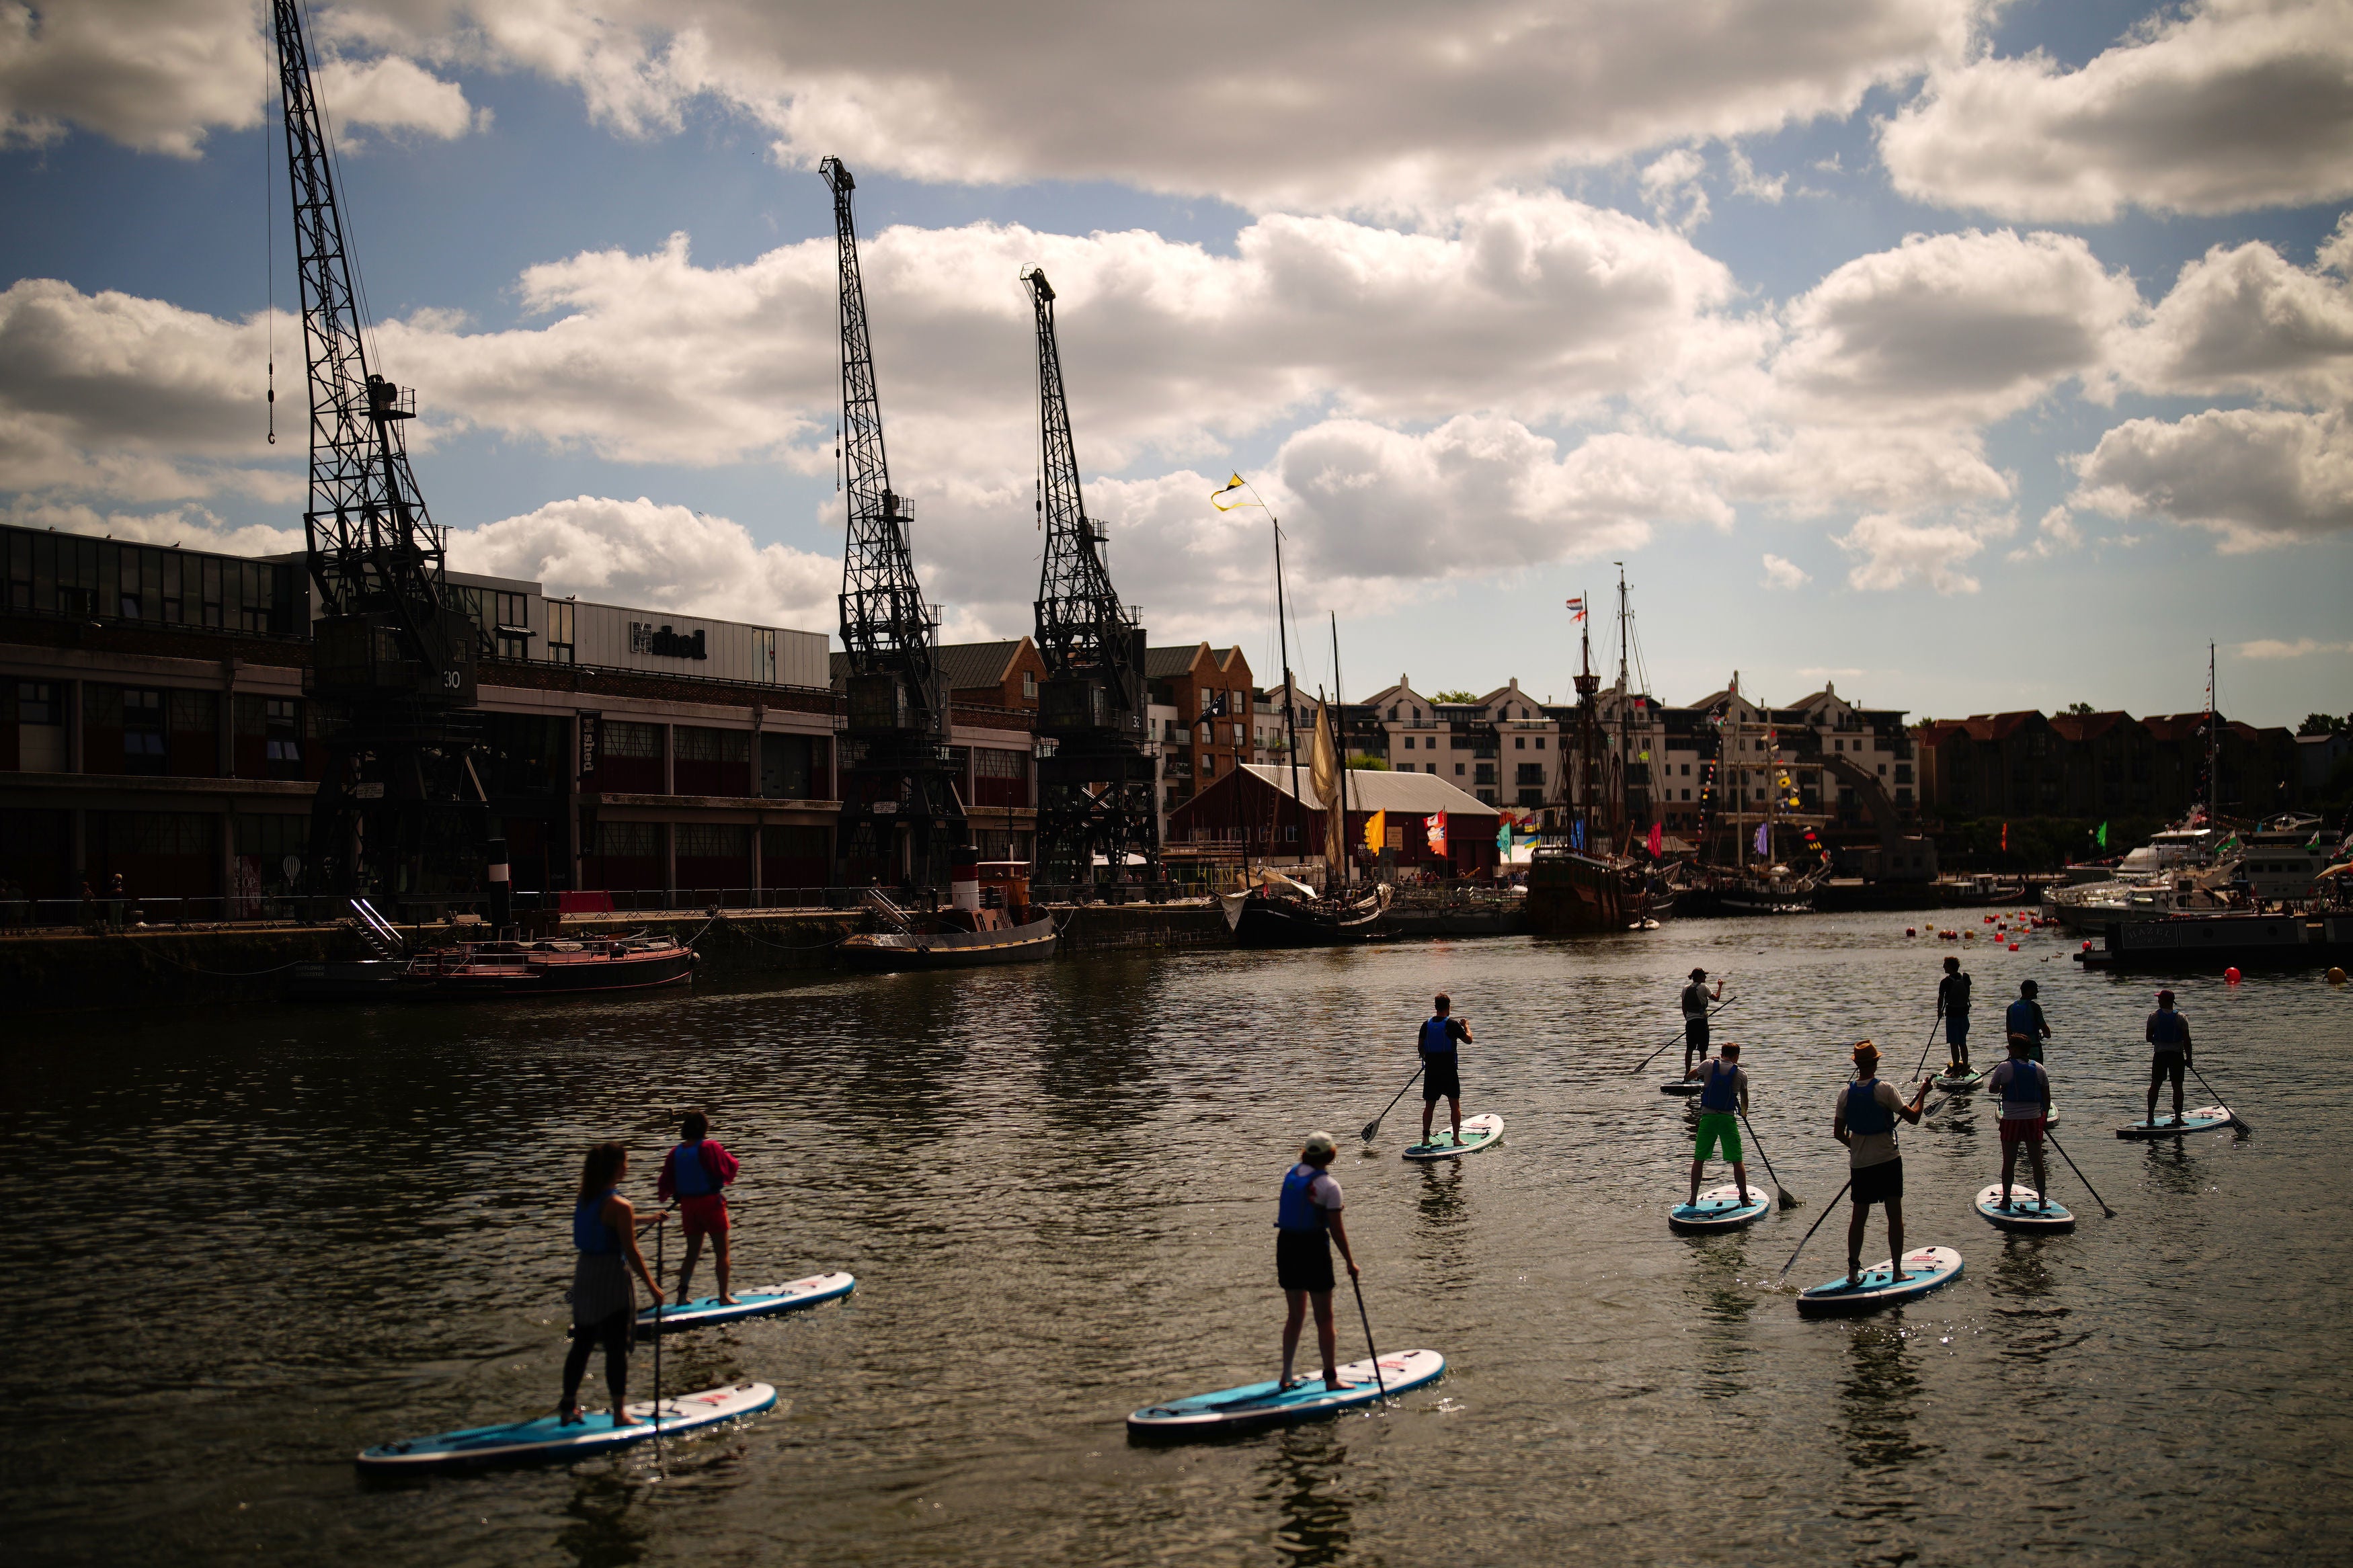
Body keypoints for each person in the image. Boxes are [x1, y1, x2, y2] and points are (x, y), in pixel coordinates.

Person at [561, 1142, 668, 1427]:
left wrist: (649, 1218)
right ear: (617, 1167)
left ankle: (567, 1407)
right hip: (610, 1276)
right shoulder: (620, 1205)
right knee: (616, 1347)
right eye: (626, 1162)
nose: (628, 1166)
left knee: (582, 1343)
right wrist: (653, 1288)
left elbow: (613, 1220)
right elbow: (631, 1251)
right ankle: (620, 1414)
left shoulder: (585, 1196)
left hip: (584, 1274)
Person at [1832, 1042, 1929, 1288]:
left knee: (1858, 1219)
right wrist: (1923, 1093)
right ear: (1875, 1063)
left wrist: (1854, 1145)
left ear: (1856, 1064)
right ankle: (1897, 1272)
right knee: (1894, 1217)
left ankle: (1853, 1272)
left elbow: (1838, 1133)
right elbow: (1915, 1118)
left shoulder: (1845, 1093)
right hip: (1888, 1160)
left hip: (1861, 1164)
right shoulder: (1885, 1089)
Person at [1275, 1132, 1361, 1393]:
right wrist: (1350, 1262)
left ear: (1305, 1153)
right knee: (1324, 1318)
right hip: (1313, 1249)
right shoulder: (1330, 1186)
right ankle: (1331, 1379)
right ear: (1331, 1155)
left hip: (1286, 1246)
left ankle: (1286, 1376)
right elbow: (1336, 1230)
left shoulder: (1291, 1174)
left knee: (1295, 1316)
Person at [657, 1110, 742, 1305]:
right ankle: (724, 1296)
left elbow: (667, 1181)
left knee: (691, 1253)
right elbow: (730, 1166)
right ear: (704, 1128)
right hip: (710, 1204)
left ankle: (681, 1297)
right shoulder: (710, 1147)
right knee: (722, 1253)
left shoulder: (676, 1152)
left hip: (688, 1206)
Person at [1683, 1040, 1751, 1208]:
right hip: (1727, 1120)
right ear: (1736, 1057)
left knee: (1699, 1159)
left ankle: (1692, 1199)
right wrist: (1743, 1113)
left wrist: (1709, 1063)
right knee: (1737, 1160)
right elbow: (1745, 1099)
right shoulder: (1741, 1073)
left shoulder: (1708, 1064)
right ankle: (1744, 1199)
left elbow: (1689, 1077)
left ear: (1721, 1053)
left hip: (1708, 1119)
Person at [1987, 1034, 2051, 1209]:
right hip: (2033, 1120)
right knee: (2037, 1161)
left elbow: (1992, 1089)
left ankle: (2006, 1201)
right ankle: (2042, 1202)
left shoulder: (2003, 1067)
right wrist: (2043, 1119)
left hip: (2011, 1121)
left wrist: (2002, 1087)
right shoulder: (2039, 1068)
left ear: (2015, 1050)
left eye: (2010, 1049)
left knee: (2009, 1162)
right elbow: (2047, 1098)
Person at [1418, 993, 1472, 1147]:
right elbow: (1469, 1040)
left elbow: (1420, 1048)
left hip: (1432, 1071)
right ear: (1449, 1007)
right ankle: (1456, 1139)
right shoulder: (1452, 1024)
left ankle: (1425, 1138)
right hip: (1448, 1070)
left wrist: (1429, 1060)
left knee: (1429, 1106)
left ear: (1435, 1007)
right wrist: (1466, 1026)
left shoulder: (1425, 1025)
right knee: (1454, 1105)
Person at [2145, 989, 2194, 1126]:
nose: (2158, 1000)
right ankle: (2178, 1118)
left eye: (2160, 999)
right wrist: (2189, 1059)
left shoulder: (2153, 1016)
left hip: (2160, 1055)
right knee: (2177, 1086)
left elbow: (2149, 1038)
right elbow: (2187, 1041)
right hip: (2176, 1056)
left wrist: (2159, 1039)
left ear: (2166, 1001)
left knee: (2155, 1085)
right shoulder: (2182, 1017)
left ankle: (2150, 1118)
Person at [1681, 967, 1725, 1075]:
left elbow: (1684, 1007)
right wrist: (1720, 986)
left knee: (1689, 1048)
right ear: (1699, 977)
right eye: (1704, 975)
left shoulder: (1685, 988)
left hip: (1690, 1022)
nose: (1705, 977)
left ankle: (1687, 1073)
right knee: (1702, 1049)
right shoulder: (1704, 987)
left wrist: (1688, 1018)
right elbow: (1716, 998)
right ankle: (1702, 1074)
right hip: (1701, 1022)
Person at [1937, 956, 1974, 1071]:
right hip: (1964, 1015)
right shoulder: (1966, 978)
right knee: (1962, 1042)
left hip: (1952, 1016)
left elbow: (1941, 998)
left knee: (1954, 1043)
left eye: (1945, 965)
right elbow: (1967, 991)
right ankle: (1965, 1069)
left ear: (1950, 966)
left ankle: (1957, 1069)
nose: (1943, 967)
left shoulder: (1945, 982)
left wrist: (1939, 1011)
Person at [2005, 979, 2051, 1064]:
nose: (2037, 991)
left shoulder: (2010, 1008)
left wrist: (2012, 1049)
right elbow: (2047, 1032)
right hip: (2034, 1051)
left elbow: (2009, 1032)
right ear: (2029, 990)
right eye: (2035, 989)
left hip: (2017, 1052)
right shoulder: (2035, 1007)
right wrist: (2046, 1034)